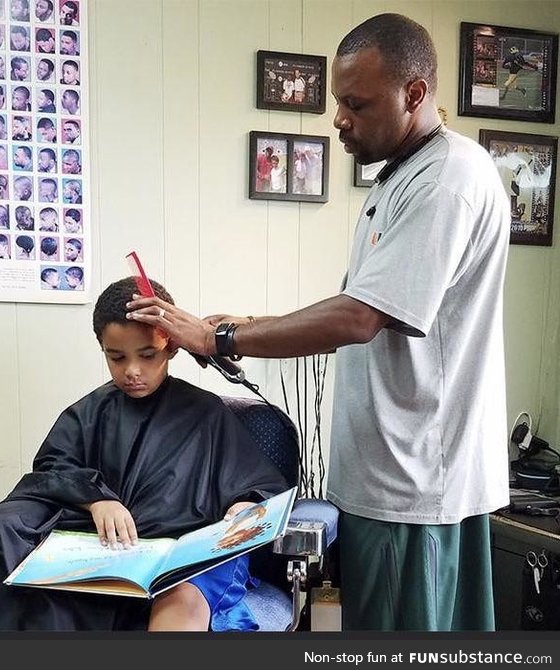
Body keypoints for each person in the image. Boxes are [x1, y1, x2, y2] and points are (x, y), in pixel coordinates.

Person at [126, 13, 511, 632]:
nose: (338, 120)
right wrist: (249, 321)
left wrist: (220, 337)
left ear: (414, 94)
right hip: (386, 476)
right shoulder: (399, 178)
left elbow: (360, 317)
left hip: (414, 485)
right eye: (338, 102)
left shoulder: (450, 178)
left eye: (355, 104)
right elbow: (361, 306)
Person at [0, 275, 287, 631]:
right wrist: (97, 500)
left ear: (172, 346)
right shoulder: (90, 412)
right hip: (107, 548)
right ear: (102, 349)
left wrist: (245, 504)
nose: (132, 371)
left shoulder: (206, 413)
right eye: (116, 358)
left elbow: (257, 486)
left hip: (181, 553)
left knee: (181, 600)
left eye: (148, 355)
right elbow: (53, 468)